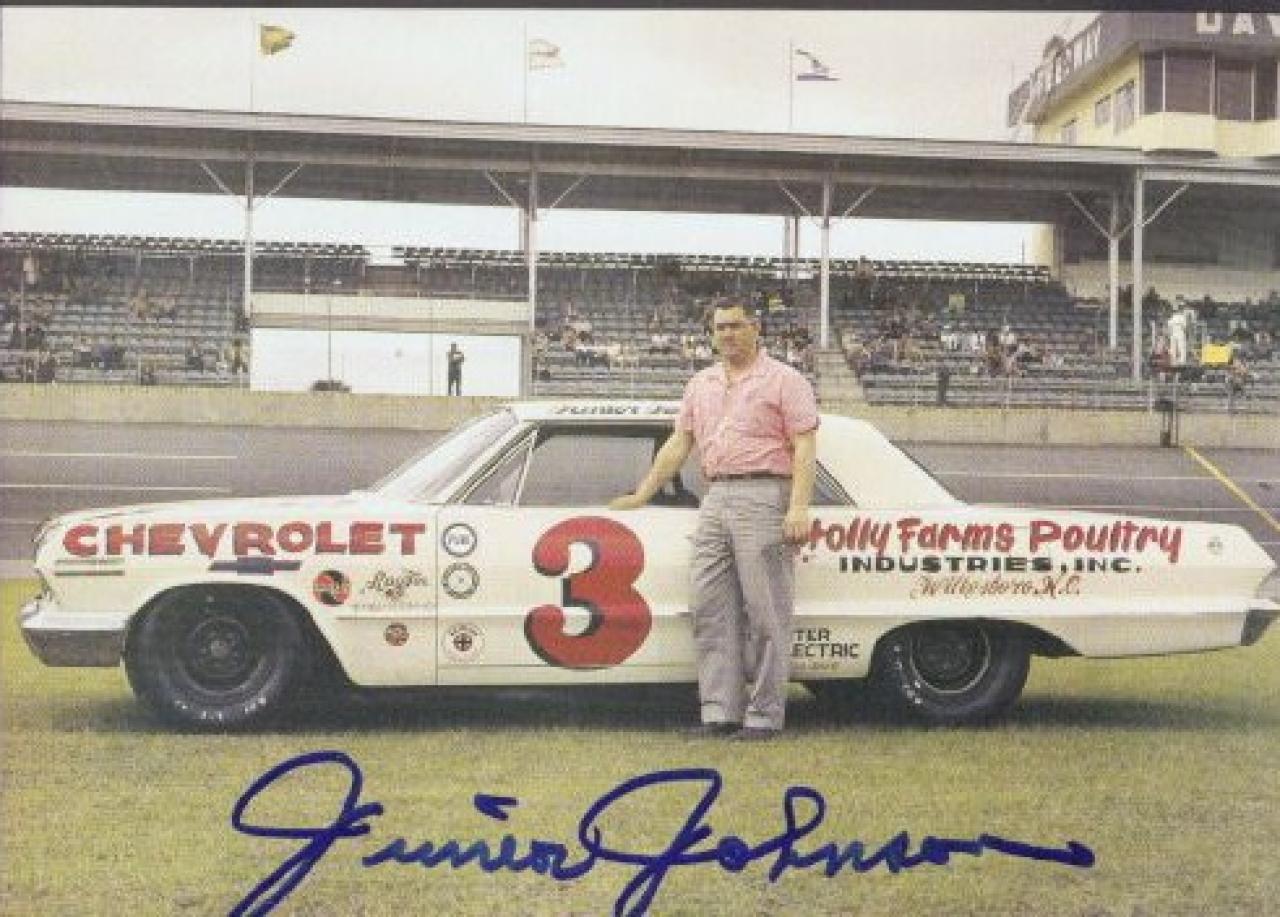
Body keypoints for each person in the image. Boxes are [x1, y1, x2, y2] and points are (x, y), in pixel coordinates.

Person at [610, 303, 818, 741]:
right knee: (709, 607)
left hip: (765, 493)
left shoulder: (785, 379)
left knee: (766, 612)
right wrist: (642, 493)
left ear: (755, 328)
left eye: (736, 325)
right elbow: (679, 444)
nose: (728, 334)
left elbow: (804, 446)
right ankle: (721, 712)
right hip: (716, 494)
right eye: (720, 327)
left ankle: (764, 716)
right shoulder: (701, 383)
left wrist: (798, 508)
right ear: (711, 334)